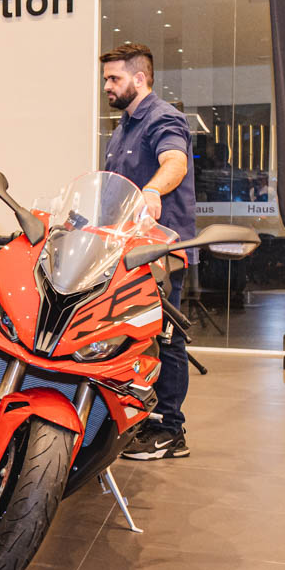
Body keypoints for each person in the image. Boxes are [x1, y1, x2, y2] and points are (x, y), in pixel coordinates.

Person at [100, 42, 196, 460]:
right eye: (106, 78)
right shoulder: (122, 127)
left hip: (160, 252)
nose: (107, 86)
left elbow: (175, 162)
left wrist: (153, 190)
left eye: (114, 78)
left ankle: (170, 430)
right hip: (126, 249)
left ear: (139, 79)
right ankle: (139, 417)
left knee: (165, 338)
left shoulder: (163, 118)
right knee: (134, 337)